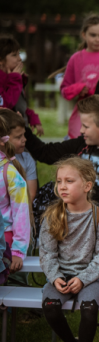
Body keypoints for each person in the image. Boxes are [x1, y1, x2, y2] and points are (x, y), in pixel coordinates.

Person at [39, 157, 99, 342]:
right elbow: (47, 254)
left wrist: (82, 279)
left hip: (90, 278)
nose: (62, 186)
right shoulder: (52, 215)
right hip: (61, 275)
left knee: (89, 308)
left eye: (69, 181)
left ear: (87, 186)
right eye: (59, 181)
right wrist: (55, 277)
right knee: (50, 305)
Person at [23, 95, 99, 221]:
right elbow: (45, 153)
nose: (81, 130)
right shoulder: (79, 145)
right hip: (72, 220)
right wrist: (23, 129)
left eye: (85, 126)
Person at [61, 14, 99, 139]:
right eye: (93, 35)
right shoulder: (76, 58)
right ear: (84, 35)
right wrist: (78, 88)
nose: (97, 39)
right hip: (83, 115)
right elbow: (64, 89)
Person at [0, 110, 30, 273]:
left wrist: (18, 250)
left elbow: (21, 213)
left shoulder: (9, 172)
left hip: (4, 239)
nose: (24, 140)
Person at [0, 35, 44, 136]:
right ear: (1, 60)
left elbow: (19, 105)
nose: (20, 58)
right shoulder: (10, 79)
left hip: (19, 133)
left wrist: (32, 117)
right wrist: (14, 79)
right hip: (6, 137)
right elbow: (6, 106)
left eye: (19, 54)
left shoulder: (13, 78)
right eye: (14, 55)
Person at [4, 111, 38, 201]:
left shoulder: (27, 159)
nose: (25, 139)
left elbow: (31, 194)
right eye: (19, 137)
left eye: (24, 134)